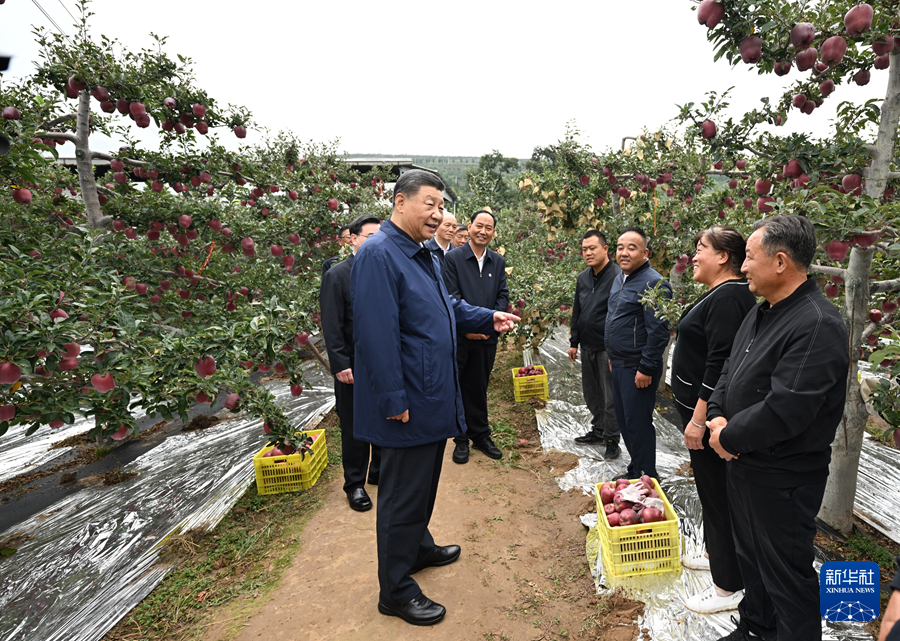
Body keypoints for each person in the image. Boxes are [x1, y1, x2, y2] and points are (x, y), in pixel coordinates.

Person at [351, 169, 518, 626]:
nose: (438, 214)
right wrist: (392, 398)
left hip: (429, 393)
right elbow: (376, 335)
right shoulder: (380, 254)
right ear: (400, 203)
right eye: (430, 204)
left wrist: (487, 316)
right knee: (402, 495)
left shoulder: (422, 254)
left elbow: (448, 307)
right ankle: (396, 589)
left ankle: (418, 547)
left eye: (442, 206)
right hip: (407, 399)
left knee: (422, 484)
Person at [706, 215, 849, 641]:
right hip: (745, 466)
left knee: (786, 576)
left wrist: (727, 437)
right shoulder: (761, 312)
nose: (743, 266)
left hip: (783, 477)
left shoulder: (817, 324)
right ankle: (754, 628)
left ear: (781, 261)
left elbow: (787, 407)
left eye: (749, 257)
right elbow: (731, 370)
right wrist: (716, 413)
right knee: (752, 560)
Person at [670, 226, 756, 614]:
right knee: (713, 492)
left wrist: (699, 418)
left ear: (723, 257)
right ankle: (720, 556)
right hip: (703, 412)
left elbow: (719, 362)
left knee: (719, 496)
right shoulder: (724, 295)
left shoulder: (728, 298)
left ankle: (728, 587)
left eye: (700, 247)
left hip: (706, 417)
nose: (694, 255)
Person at [319, 214, 383, 512]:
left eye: (380, 236)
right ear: (353, 239)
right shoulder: (338, 275)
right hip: (352, 365)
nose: (376, 241)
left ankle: (378, 468)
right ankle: (354, 483)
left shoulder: (383, 270)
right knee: (355, 425)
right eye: (370, 235)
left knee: (385, 415)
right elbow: (332, 325)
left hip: (382, 362)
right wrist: (341, 363)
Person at [604, 226, 671, 481]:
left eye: (631, 248)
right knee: (625, 422)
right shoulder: (620, 278)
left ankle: (646, 476)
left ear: (645, 252)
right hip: (620, 363)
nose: (624, 253)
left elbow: (659, 332)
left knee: (638, 424)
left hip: (636, 367)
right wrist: (612, 355)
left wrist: (646, 367)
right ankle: (636, 470)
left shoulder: (653, 283)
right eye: (620, 247)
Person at [443, 209, 509, 464]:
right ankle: (460, 439)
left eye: (488, 228)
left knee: (479, 386)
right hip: (461, 336)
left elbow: (502, 295)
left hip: (487, 337)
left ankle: (480, 435)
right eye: (478, 226)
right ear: (469, 227)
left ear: (493, 232)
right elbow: (451, 297)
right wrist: (467, 326)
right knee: (459, 386)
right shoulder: (453, 259)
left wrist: (493, 323)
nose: (483, 231)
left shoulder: (497, 261)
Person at [568, 230, 622, 460]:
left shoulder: (618, 276)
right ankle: (598, 430)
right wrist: (574, 341)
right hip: (587, 345)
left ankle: (612, 439)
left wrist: (615, 349)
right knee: (591, 393)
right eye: (584, 250)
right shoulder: (583, 278)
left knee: (609, 397)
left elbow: (620, 315)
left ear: (605, 249)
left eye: (592, 248)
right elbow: (577, 311)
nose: (588, 253)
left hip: (606, 347)